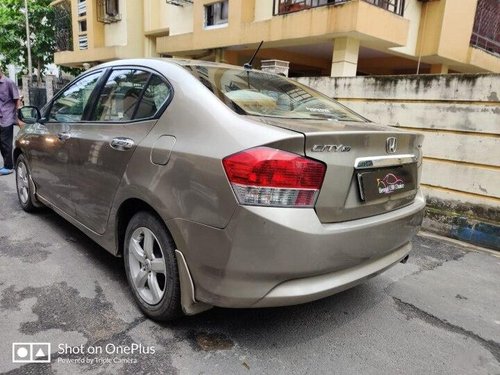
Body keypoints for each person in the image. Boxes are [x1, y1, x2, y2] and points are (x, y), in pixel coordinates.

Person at [0, 68, 21, 175]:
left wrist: (17, 117)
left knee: (5, 143)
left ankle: (9, 167)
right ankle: (6, 165)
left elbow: (17, 100)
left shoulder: (8, 82)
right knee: (1, 143)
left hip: (7, 117)